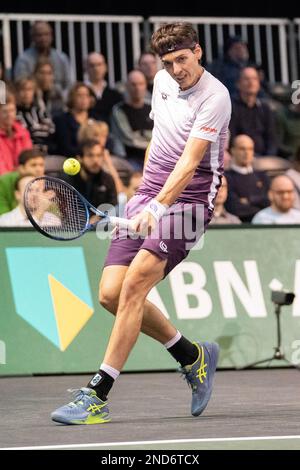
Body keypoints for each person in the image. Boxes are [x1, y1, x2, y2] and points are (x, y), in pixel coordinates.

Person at [51, 21, 231, 425]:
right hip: (150, 192)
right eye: (169, 63)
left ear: (198, 51)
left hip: (188, 203)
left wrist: (159, 208)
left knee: (134, 285)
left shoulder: (216, 97)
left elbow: (188, 163)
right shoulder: (162, 82)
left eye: (183, 59)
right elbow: (158, 139)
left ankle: (96, 394)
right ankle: (193, 356)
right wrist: (139, 196)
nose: (177, 69)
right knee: (111, 294)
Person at [229, 67, 278, 156]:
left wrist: (269, 157)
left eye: (254, 79)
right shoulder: (231, 107)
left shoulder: (265, 108)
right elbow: (231, 139)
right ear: (238, 84)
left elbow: (271, 139)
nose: (251, 82)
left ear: (259, 84)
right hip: (240, 157)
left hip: (264, 158)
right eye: (247, 79)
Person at [111, 70, 154, 170]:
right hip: (132, 159)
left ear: (145, 85)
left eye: (141, 84)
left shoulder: (153, 107)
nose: (137, 88)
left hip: (156, 157)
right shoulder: (119, 110)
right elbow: (129, 138)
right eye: (133, 84)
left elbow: (162, 133)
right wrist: (151, 139)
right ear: (127, 86)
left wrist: (142, 134)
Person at [14, 21, 72, 92]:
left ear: (52, 36)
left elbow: (69, 84)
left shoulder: (62, 58)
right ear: (32, 37)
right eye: (39, 35)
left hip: (59, 98)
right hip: (33, 98)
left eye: (46, 34)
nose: (43, 38)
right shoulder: (23, 59)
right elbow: (20, 84)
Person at [61, 139, 117, 209]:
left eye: (99, 155)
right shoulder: (68, 179)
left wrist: (98, 217)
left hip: (102, 219)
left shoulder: (108, 179)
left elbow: (113, 206)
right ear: (80, 158)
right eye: (90, 155)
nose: (95, 160)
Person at [225, 134, 270, 222]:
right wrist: (260, 205)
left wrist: (249, 200)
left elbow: (269, 201)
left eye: (250, 149)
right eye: (242, 149)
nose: (247, 153)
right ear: (233, 150)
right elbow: (234, 207)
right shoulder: (226, 177)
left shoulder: (262, 176)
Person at [15, 77, 56, 153]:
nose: (26, 93)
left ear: (34, 92)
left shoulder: (41, 112)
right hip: (26, 152)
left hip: (48, 151)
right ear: (16, 93)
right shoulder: (14, 114)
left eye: (29, 89)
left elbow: (51, 131)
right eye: (22, 90)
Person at [53, 83, 94, 157]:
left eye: (86, 95)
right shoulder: (62, 120)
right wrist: (87, 154)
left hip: (95, 157)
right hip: (72, 158)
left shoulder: (96, 119)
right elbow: (65, 147)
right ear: (72, 98)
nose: (84, 99)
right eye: (79, 95)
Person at [0, 148, 45, 215]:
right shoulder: (4, 182)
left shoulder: (46, 181)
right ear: (21, 168)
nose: (38, 169)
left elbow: (54, 213)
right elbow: (2, 216)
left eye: (41, 165)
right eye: (33, 165)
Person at [85, 52, 123, 123]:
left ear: (105, 67)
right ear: (86, 68)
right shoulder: (80, 93)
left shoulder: (115, 95)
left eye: (99, 64)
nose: (96, 68)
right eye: (92, 65)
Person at [0, 92, 32, 175]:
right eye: (5, 111)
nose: (9, 115)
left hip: (24, 178)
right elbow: (2, 171)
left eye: (12, 110)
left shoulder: (23, 132)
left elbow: (30, 160)